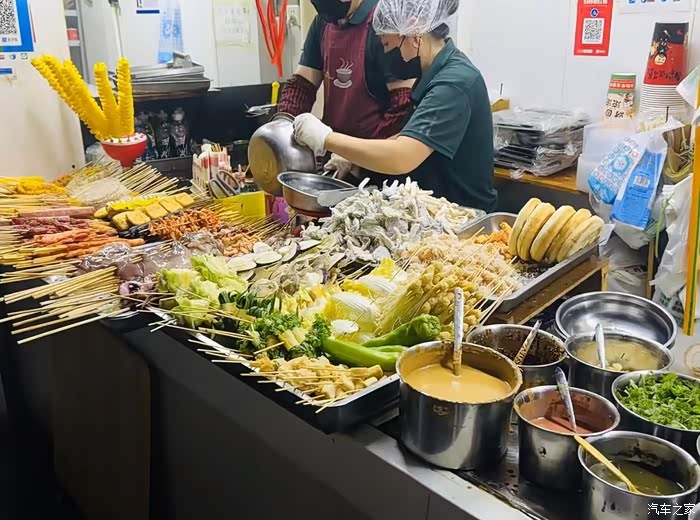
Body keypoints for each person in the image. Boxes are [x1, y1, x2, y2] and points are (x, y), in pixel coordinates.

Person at [292, 0, 498, 211]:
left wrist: (325, 138)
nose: (388, 57)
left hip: (464, 216)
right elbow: (407, 138)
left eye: (387, 46)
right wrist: (354, 160)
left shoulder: (453, 84)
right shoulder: (431, 74)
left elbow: (402, 155)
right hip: (436, 209)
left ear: (413, 32)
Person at [276, 0, 414, 178]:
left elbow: (403, 107)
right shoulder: (323, 22)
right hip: (333, 161)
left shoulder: (384, 21)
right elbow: (302, 86)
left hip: (377, 170)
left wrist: (357, 156)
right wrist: (281, 128)